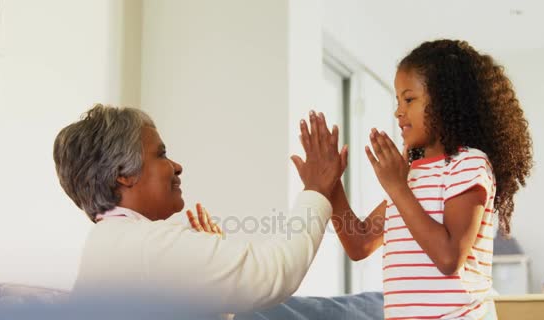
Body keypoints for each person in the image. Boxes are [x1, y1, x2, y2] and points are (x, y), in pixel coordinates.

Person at [52, 104, 345, 315]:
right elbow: (273, 274)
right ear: (123, 174)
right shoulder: (144, 245)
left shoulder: (107, 243)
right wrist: (316, 191)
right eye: (161, 154)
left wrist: (211, 281)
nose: (177, 166)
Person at [314, 40, 533, 319]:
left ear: (444, 102)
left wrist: (397, 187)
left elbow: (449, 258)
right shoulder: (411, 174)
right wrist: (330, 184)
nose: (398, 111)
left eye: (409, 99)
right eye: (397, 100)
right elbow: (359, 243)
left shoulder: (468, 164)